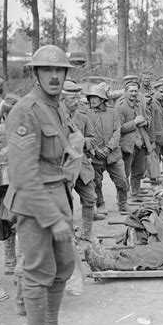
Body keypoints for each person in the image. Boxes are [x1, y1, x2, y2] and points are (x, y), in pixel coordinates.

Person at [4, 45, 82, 325]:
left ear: (65, 74)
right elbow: (23, 175)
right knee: (38, 272)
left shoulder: (56, 106)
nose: (54, 76)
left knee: (63, 267)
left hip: (58, 196)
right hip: (34, 203)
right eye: (47, 70)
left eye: (59, 70)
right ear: (35, 74)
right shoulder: (26, 110)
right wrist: (51, 218)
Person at [60, 81, 100, 239]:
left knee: (90, 198)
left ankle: (86, 233)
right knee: (64, 203)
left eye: (78, 97)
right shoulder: (54, 116)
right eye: (72, 98)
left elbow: (93, 138)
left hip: (81, 164)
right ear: (62, 99)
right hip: (62, 165)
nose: (76, 102)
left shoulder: (82, 115)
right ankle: (69, 237)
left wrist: (81, 142)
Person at [0, 93, 20, 275]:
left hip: (2, 183)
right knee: (23, 220)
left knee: (6, 219)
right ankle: (22, 262)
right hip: (19, 181)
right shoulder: (24, 129)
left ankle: (9, 262)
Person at [87, 85, 130, 216]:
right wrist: (95, 149)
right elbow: (85, 133)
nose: (92, 100)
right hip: (95, 155)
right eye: (90, 97)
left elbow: (117, 131)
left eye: (96, 97)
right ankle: (100, 204)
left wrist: (109, 148)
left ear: (102, 99)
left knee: (122, 180)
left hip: (113, 154)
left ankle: (123, 203)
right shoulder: (86, 113)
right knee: (96, 182)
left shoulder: (113, 112)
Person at [116, 79, 152, 197]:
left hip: (140, 142)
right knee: (125, 172)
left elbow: (147, 117)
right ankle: (123, 196)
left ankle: (136, 192)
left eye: (135, 91)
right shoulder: (120, 106)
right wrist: (135, 122)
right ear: (126, 92)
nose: (133, 93)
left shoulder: (140, 103)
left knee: (139, 170)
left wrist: (146, 123)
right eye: (131, 91)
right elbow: (119, 128)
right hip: (127, 143)